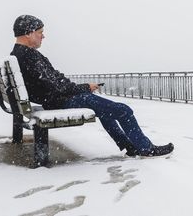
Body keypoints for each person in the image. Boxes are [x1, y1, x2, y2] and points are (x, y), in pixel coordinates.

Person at [10, 14, 174, 157]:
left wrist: (83, 87)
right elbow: (56, 85)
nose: (43, 37)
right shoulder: (29, 56)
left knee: (105, 110)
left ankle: (130, 147)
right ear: (29, 33)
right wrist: (85, 87)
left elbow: (53, 81)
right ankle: (146, 149)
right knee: (124, 111)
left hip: (55, 99)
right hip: (60, 101)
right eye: (40, 33)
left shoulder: (20, 54)